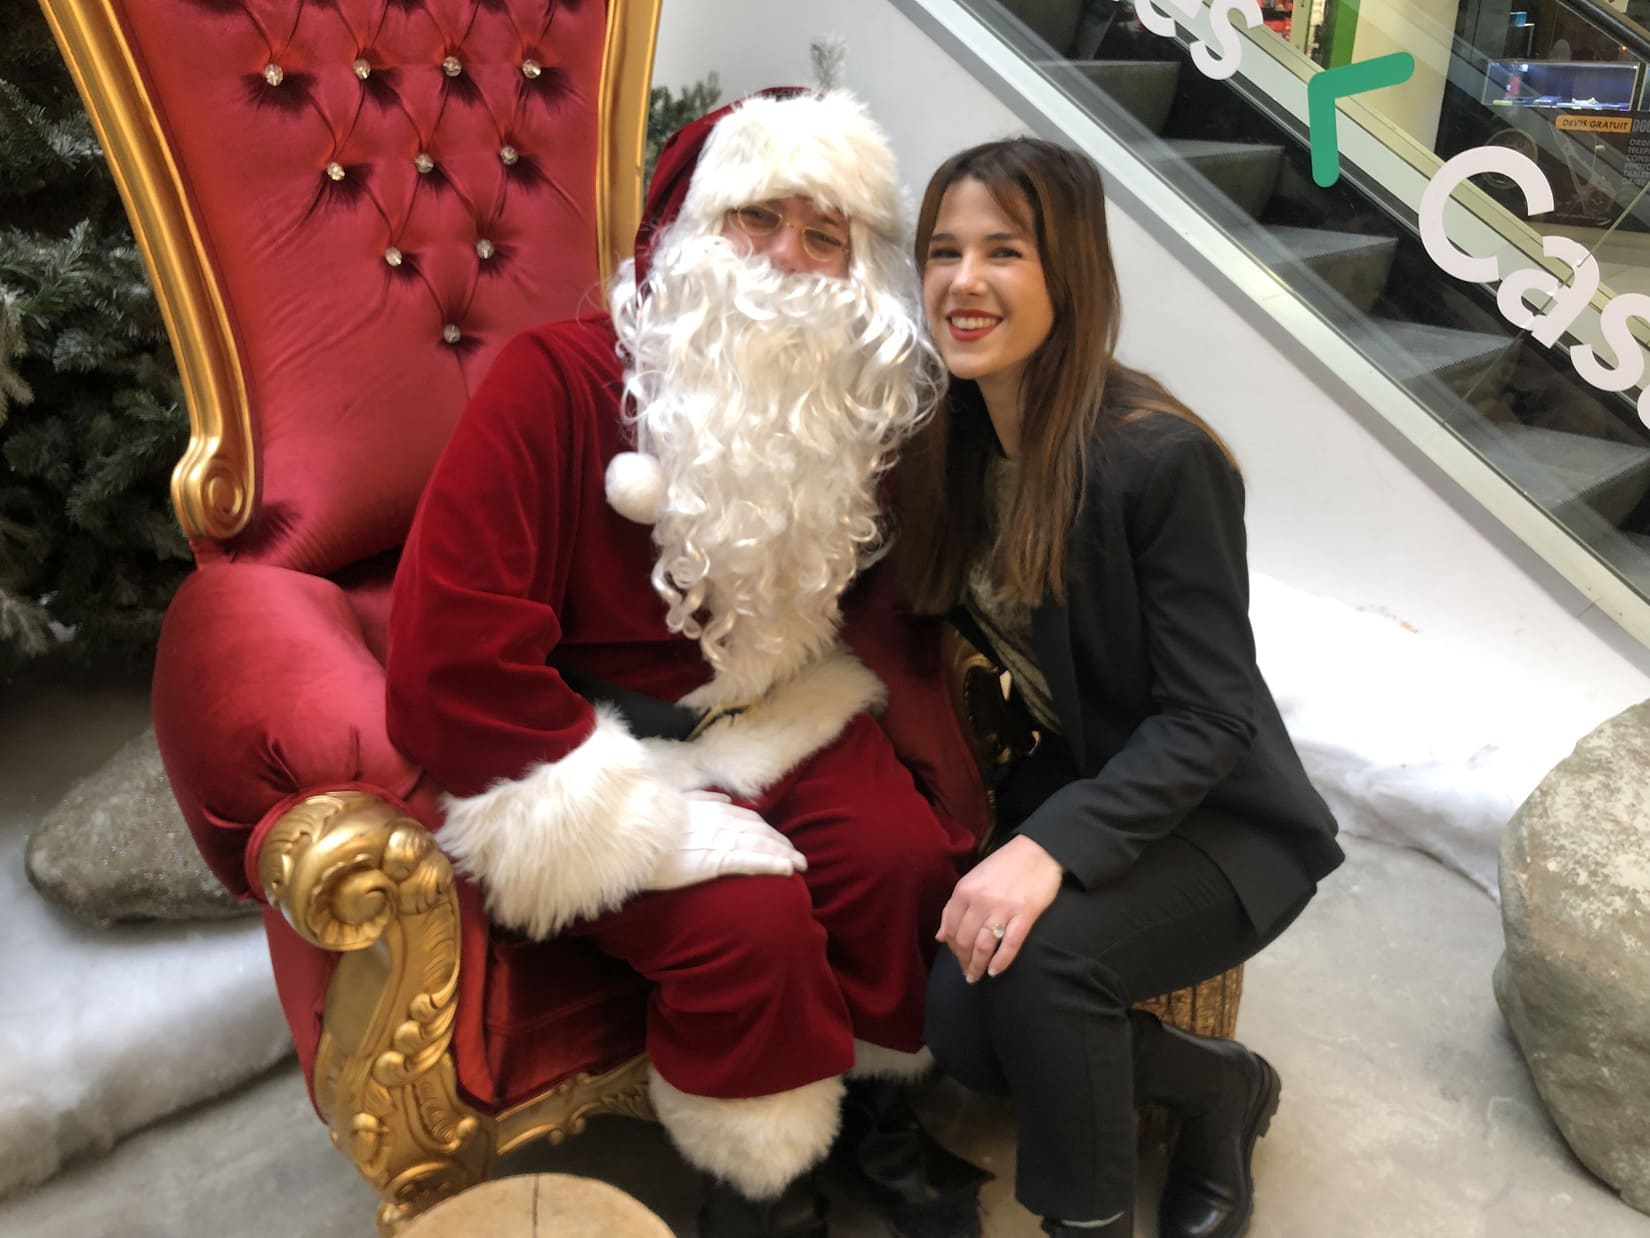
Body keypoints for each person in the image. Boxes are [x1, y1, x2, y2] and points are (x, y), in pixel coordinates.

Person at [384, 90, 988, 1238]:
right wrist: (638, 824)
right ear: (688, 235)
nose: (789, 259)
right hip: (598, 740)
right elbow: (449, 645)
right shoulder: (553, 381)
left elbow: (880, 604)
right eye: (759, 217)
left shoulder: (845, 409)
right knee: (746, 929)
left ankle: (872, 1112)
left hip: (779, 710)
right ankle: (759, 1187)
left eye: (825, 237)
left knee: (903, 860)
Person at [901, 137, 1345, 1237]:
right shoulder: (948, 440)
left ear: (1071, 274)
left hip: (1225, 818)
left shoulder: (1156, 459)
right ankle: (1218, 1085)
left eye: (1004, 251)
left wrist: (1046, 848)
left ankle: (1086, 1220)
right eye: (942, 250)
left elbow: (1209, 717)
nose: (964, 281)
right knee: (961, 1026)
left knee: (1043, 965)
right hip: (1090, 781)